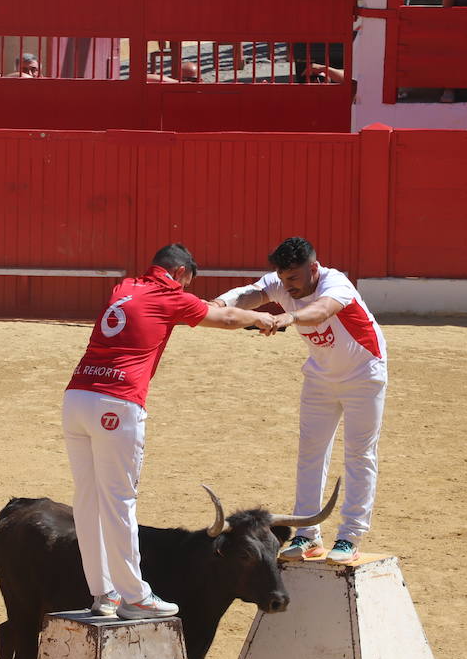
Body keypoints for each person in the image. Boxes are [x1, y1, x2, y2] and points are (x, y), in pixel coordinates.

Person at [63, 244, 276, 620]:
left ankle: (104, 594)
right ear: (180, 273)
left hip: (78, 396)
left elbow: (201, 308)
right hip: (118, 403)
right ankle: (135, 595)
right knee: (119, 502)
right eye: (187, 282)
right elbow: (223, 319)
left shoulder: (125, 286)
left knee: (88, 501)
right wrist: (261, 319)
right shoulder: (169, 295)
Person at [214, 237, 387, 566]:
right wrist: (220, 304)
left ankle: (350, 537)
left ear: (313, 269)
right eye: (282, 278)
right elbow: (251, 294)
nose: (286, 287)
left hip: (364, 373)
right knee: (310, 451)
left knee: (359, 454)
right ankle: (308, 535)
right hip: (320, 376)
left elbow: (323, 310)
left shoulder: (336, 283)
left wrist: (288, 319)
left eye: (293, 279)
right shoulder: (282, 282)